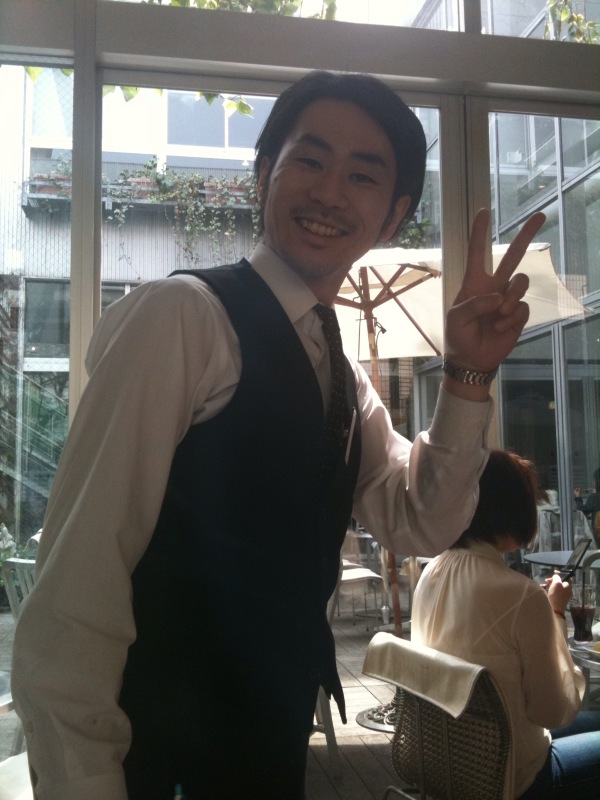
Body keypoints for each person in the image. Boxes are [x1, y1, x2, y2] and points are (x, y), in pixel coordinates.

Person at [12, 71, 545, 800]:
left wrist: (466, 377)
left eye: (363, 175)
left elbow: (418, 520)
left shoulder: (341, 375)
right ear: (264, 173)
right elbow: (78, 585)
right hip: (152, 763)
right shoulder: (181, 317)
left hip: (267, 750)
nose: (330, 192)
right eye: (310, 160)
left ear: (392, 217)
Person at [411, 449, 600, 799]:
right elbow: (552, 710)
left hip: (449, 758)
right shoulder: (520, 595)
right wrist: (555, 612)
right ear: (513, 508)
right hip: (513, 777)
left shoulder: (431, 572)